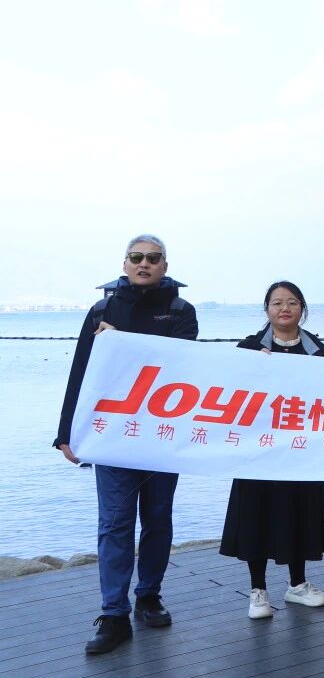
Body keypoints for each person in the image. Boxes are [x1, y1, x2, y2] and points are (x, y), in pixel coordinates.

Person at [54, 234, 199, 654]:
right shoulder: (102, 309)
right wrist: (66, 431)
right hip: (113, 434)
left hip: (161, 434)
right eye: (136, 257)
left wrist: (121, 341)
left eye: (153, 258)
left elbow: (178, 365)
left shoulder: (181, 311)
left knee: (157, 518)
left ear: (165, 266)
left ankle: (148, 595)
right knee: (114, 523)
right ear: (125, 263)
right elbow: (81, 371)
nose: (144, 263)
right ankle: (113, 614)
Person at [220, 281, 324, 619]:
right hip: (259, 450)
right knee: (255, 514)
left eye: (292, 302)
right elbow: (228, 392)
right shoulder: (248, 348)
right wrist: (251, 367)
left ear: (303, 309)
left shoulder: (319, 353)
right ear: (267, 309)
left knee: (298, 512)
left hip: (301, 449)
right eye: (277, 302)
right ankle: (258, 590)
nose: (285, 308)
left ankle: (297, 584)